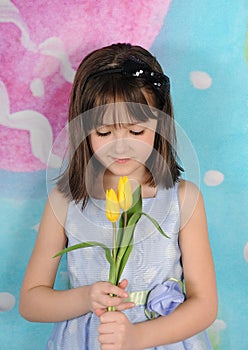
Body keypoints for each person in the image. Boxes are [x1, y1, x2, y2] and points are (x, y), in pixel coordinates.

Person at [19, 43, 218, 350]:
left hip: (162, 339)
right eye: (103, 132)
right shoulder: (65, 202)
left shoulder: (183, 200)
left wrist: (138, 337)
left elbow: (204, 305)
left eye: (136, 132)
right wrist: (86, 297)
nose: (120, 147)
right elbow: (32, 302)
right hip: (88, 341)